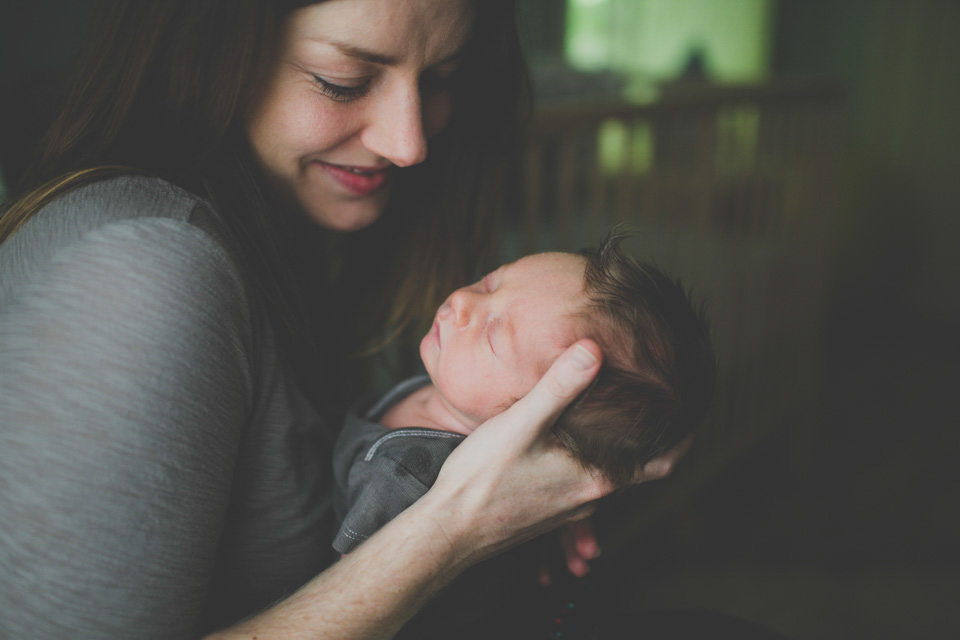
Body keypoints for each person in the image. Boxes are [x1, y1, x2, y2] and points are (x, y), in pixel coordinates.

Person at [0, 1, 690, 638]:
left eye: (443, 77)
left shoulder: (298, 234)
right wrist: (458, 528)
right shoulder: (138, 275)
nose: (409, 142)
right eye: (342, 80)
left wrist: (540, 479)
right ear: (208, 49)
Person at [331, 234, 715, 637]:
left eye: (493, 335)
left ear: (538, 422)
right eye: (491, 282)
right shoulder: (452, 388)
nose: (462, 302)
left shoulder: (407, 479)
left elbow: (356, 604)